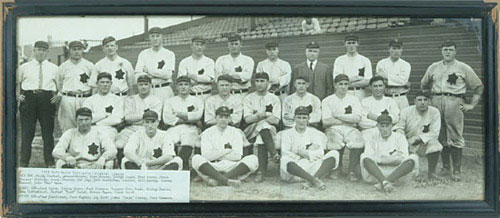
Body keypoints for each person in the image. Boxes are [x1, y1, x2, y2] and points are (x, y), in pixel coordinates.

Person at [420, 40, 483, 181]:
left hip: (454, 101)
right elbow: (423, 84)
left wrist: (471, 105)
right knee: (440, 135)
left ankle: (457, 171)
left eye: (450, 49)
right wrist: (428, 100)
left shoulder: (463, 67)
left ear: (455, 51)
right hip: (436, 101)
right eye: (445, 49)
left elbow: (478, 87)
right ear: (441, 51)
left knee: (455, 136)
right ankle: (446, 167)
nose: (447, 52)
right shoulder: (433, 67)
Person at [191, 106, 259, 187]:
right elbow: (206, 156)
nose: (223, 119)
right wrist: (227, 150)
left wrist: (215, 152)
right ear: (215, 118)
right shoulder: (207, 132)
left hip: (231, 166)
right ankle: (227, 180)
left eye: (226, 117)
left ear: (229, 119)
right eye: (220, 117)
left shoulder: (236, 132)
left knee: (253, 159)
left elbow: (237, 156)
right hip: (213, 166)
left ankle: (217, 180)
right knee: (196, 158)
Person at [17, 41, 60, 167]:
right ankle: (24, 162)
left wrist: (58, 96)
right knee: (27, 133)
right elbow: (14, 82)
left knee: (48, 133)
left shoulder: (54, 68)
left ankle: (49, 161)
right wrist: (17, 95)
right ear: (34, 51)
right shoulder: (24, 67)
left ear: (47, 52)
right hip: (29, 98)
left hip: (46, 99)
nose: (41, 53)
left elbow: (60, 85)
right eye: (38, 50)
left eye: (44, 50)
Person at [280, 106, 339, 190]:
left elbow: (320, 153)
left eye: (304, 118)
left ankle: (312, 179)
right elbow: (285, 153)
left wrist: (306, 154)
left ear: (308, 119)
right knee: (284, 160)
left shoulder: (314, 133)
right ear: (294, 118)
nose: (301, 121)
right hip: (294, 172)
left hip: (311, 167)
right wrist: (299, 154)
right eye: (299, 118)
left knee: (334, 153)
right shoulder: (287, 134)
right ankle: (314, 180)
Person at [322, 74, 364, 182]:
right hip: (333, 128)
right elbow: (326, 121)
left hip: (351, 128)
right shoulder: (327, 100)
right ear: (335, 85)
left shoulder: (354, 99)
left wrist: (337, 116)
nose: (343, 87)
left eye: (346, 84)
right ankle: (336, 168)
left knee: (357, 141)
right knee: (333, 141)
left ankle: (352, 171)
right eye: (340, 84)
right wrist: (347, 119)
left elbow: (357, 118)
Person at [360, 114, 418, 193]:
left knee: (413, 159)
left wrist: (380, 158)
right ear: (377, 126)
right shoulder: (372, 138)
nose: (385, 129)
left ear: (392, 126)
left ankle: (384, 182)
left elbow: (403, 158)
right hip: (377, 171)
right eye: (382, 126)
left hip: (397, 171)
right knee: (364, 157)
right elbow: (369, 157)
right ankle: (386, 181)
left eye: (387, 126)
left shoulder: (400, 137)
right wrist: (392, 158)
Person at [114, 75, 162, 167]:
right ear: (137, 86)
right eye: (141, 84)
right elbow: (127, 118)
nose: (143, 87)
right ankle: (121, 167)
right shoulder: (130, 99)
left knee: (144, 149)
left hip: (147, 130)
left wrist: (135, 120)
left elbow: (155, 120)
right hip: (130, 129)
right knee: (119, 145)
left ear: (150, 85)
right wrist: (145, 117)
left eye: (146, 84)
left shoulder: (156, 100)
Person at [394, 90, 443, 180]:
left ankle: (431, 173)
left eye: (425, 100)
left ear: (430, 101)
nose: (423, 102)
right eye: (419, 100)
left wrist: (418, 138)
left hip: (424, 143)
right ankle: (403, 172)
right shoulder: (406, 111)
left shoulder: (434, 112)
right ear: (414, 101)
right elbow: (399, 127)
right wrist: (402, 139)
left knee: (436, 145)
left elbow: (435, 133)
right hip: (408, 143)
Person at [243, 72, 281, 183]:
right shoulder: (248, 98)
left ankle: (261, 172)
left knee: (263, 129)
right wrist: (264, 115)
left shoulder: (274, 99)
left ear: (268, 83)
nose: (259, 84)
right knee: (263, 126)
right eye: (257, 81)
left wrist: (257, 117)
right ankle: (273, 154)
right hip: (250, 130)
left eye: (262, 81)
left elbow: (276, 120)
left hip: (270, 130)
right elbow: (247, 120)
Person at [52, 107, 117, 169]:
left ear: (91, 120)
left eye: (87, 119)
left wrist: (103, 158)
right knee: (60, 162)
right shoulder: (70, 133)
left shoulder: (99, 133)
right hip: (74, 165)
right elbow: (56, 151)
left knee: (109, 162)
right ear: (76, 121)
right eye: (80, 120)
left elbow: (112, 150)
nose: (84, 123)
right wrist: (67, 156)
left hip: (94, 165)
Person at [163, 76, 203, 170]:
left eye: (186, 84)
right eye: (180, 85)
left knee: (188, 140)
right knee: (168, 140)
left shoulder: (197, 100)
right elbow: (167, 119)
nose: (183, 87)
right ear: (176, 87)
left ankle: (184, 168)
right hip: (174, 127)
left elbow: (198, 116)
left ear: (190, 86)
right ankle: (172, 167)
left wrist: (178, 114)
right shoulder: (170, 101)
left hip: (191, 127)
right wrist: (189, 117)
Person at [57, 40, 96, 132]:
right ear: (69, 50)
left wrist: (92, 99)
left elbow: (94, 84)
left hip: (85, 97)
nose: (77, 52)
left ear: (83, 50)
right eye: (74, 49)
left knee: (85, 125)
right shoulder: (63, 66)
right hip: (68, 98)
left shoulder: (89, 65)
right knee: (68, 127)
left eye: (79, 49)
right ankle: (69, 146)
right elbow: (59, 84)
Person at [135, 27, 176, 103]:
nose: (155, 39)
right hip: (148, 90)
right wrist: (159, 74)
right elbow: (138, 75)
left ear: (162, 37)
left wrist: (149, 71)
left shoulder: (169, 54)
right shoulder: (143, 54)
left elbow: (168, 74)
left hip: (164, 89)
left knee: (165, 113)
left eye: (157, 36)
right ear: (149, 38)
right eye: (152, 36)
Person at [82, 72, 124, 141]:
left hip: (109, 129)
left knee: (105, 139)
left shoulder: (117, 99)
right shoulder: (89, 100)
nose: (105, 85)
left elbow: (117, 119)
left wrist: (96, 122)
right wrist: (105, 115)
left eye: (107, 82)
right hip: (92, 128)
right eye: (102, 82)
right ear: (97, 83)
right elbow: (86, 118)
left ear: (111, 83)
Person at [333, 34, 373, 100]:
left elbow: (368, 81)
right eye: (349, 43)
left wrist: (347, 81)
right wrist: (357, 78)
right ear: (345, 44)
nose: (351, 46)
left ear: (357, 44)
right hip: (345, 93)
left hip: (360, 93)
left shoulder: (365, 60)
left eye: (353, 43)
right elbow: (338, 80)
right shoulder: (339, 60)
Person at [214, 34, 254, 98]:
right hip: (226, 95)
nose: (234, 46)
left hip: (242, 94)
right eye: (231, 44)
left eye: (236, 44)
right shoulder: (221, 60)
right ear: (228, 45)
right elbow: (218, 79)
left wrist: (227, 75)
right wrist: (238, 78)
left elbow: (247, 77)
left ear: (241, 45)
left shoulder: (248, 60)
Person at [376, 39, 412, 110]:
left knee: (403, 118)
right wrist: (398, 80)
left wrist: (386, 77)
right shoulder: (381, 63)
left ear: (402, 50)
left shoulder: (405, 65)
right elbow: (380, 81)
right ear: (389, 49)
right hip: (386, 97)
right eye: (394, 48)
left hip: (401, 97)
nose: (396, 51)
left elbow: (403, 81)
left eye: (398, 48)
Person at [177, 37, 215, 102]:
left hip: (206, 95)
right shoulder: (184, 62)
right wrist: (202, 80)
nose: (199, 47)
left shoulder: (209, 61)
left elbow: (209, 79)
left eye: (201, 45)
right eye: (197, 44)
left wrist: (191, 76)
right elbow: (182, 80)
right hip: (190, 96)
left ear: (204, 47)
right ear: (191, 46)